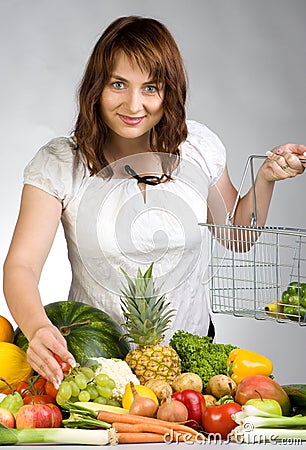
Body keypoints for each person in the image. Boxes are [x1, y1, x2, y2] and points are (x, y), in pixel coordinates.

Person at [3, 16, 306, 388]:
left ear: (169, 92)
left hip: (190, 369)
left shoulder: (197, 147)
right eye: (118, 84)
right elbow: (22, 265)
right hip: (96, 370)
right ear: (96, 88)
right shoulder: (62, 163)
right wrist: (37, 329)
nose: (134, 104)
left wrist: (266, 179)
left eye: (151, 88)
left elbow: (237, 236)